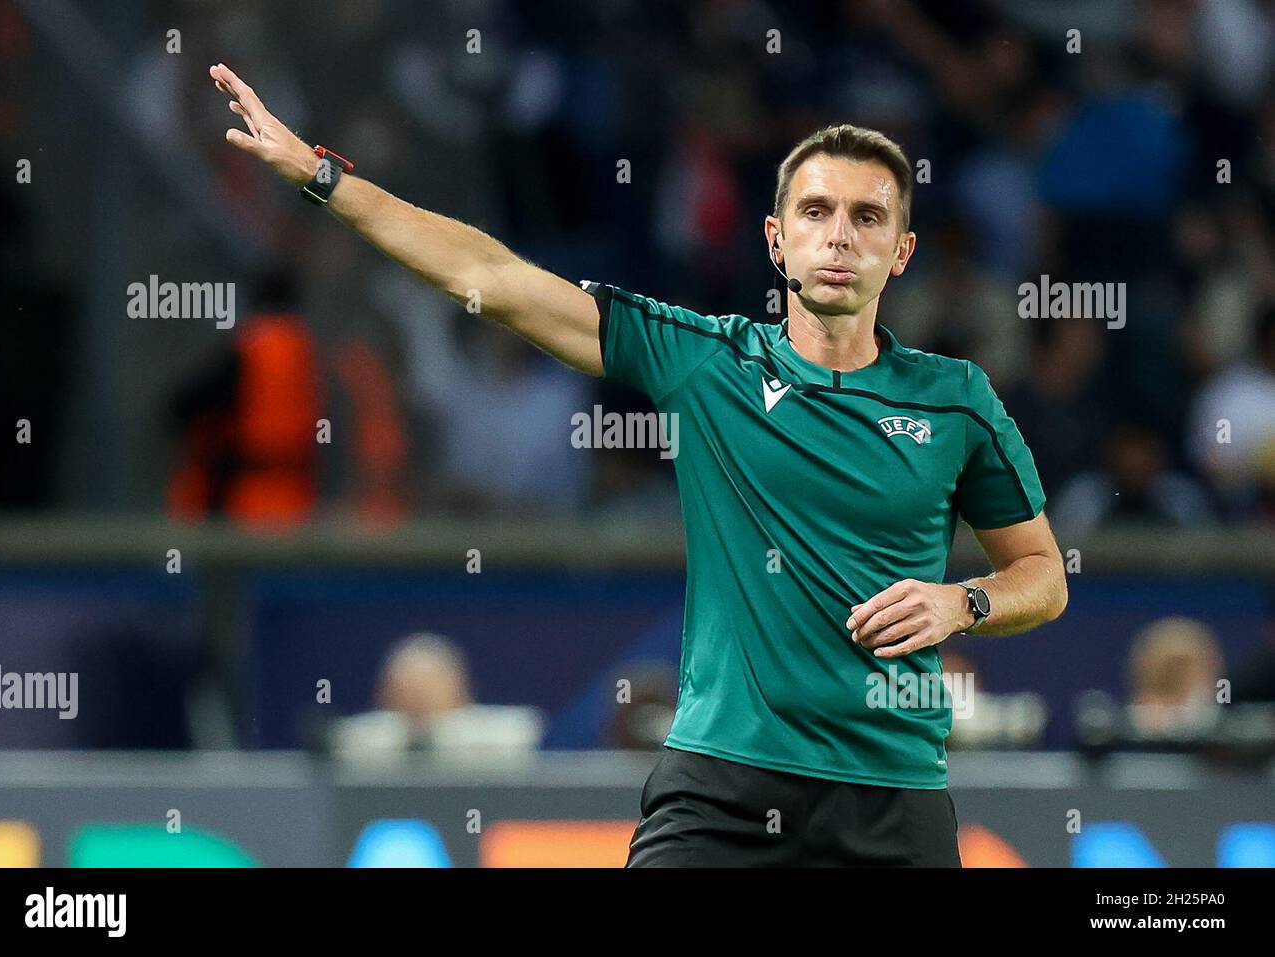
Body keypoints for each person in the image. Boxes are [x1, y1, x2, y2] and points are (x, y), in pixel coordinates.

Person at [209, 63, 1068, 866]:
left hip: (892, 799)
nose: (838, 236)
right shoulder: (706, 361)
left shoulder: (955, 399)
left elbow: (1042, 574)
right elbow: (493, 276)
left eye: (867, 217)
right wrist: (322, 176)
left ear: (902, 251)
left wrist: (965, 600)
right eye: (815, 212)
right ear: (776, 239)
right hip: (722, 789)